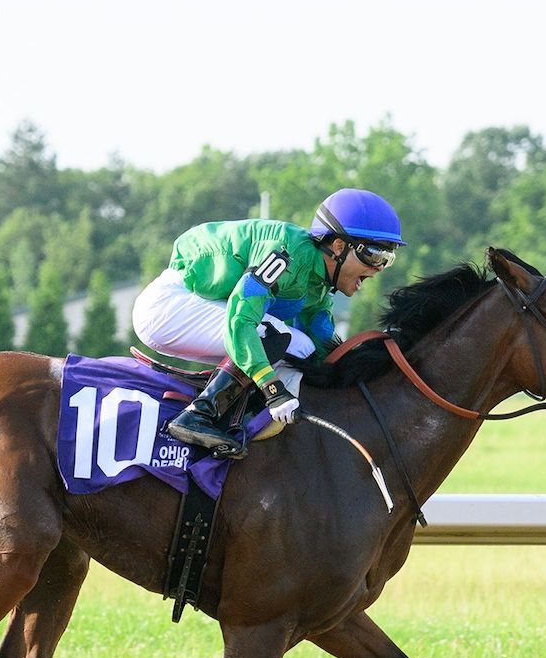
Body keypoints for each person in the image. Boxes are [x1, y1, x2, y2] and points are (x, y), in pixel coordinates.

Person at [132, 188, 405, 458]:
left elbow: (323, 349)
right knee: (271, 333)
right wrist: (272, 389)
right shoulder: (284, 253)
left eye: (387, 260)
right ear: (338, 247)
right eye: (374, 255)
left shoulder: (319, 286)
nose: (378, 268)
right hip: (168, 306)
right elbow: (241, 320)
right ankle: (198, 415)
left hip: (196, 309)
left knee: (304, 348)